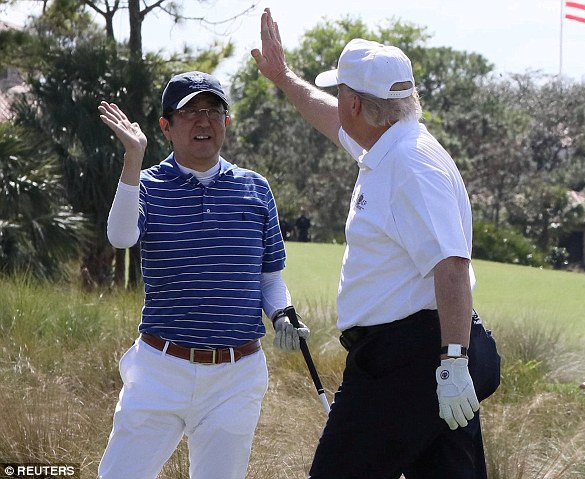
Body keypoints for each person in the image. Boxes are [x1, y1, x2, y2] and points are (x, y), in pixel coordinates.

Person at [252, 9, 485, 478]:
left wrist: (453, 363)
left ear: (356, 104)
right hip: (423, 358)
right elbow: (329, 118)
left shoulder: (409, 164)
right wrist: (284, 77)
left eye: (341, 92)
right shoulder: (390, 146)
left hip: (408, 363)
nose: (337, 102)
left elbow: (452, 265)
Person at [96, 71, 309, 479]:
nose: (203, 121)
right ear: (166, 127)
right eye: (190, 112)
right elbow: (121, 236)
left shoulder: (256, 189)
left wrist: (282, 313)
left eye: (213, 111)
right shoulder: (147, 184)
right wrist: (133, 158)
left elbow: (269, 278)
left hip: (236, 375)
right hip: (160, 370)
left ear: (226, 122)